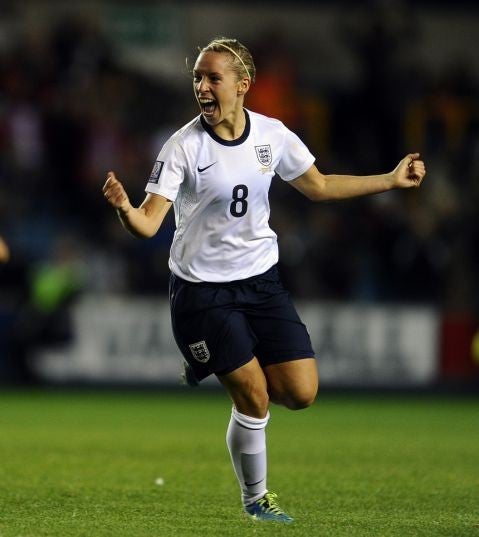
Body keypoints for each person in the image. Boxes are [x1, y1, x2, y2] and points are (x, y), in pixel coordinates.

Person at [102, 37, 426, 523]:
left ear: (242, 84)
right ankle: (256, 500)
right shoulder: (183, 147)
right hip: (202, 293)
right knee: (253, 393)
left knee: (301, 393)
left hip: (261, 283)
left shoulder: (272, 135)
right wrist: (127, 210)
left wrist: (390, 179)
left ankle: (205, 361)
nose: (202, 87)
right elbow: (149, 224)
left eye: (213, 78)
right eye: (198, 78)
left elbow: (317, 186)